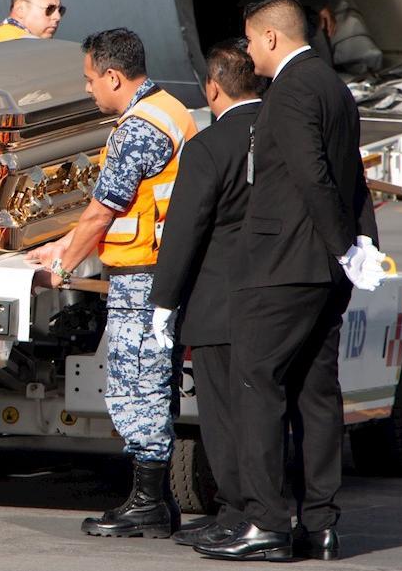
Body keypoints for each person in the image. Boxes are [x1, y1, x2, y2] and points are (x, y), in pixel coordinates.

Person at [193, 0, 385, 562]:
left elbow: (313, 175)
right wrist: (359, 246)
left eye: (250, 41)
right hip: (321, 269)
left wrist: (345, 244)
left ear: (272, 38)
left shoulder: (294, 89)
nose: (248, 53)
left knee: (256, 386)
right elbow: (354, 177)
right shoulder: (333, 87)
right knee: (316, 393)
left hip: (282, 267)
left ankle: (268, 522)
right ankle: (321, 523)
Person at [28, 28, 197, 538]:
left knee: (134, 385)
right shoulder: (169, 108)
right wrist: (64, 247)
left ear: (113, 76)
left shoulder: (137, 128)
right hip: (162, 269)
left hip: (141, 279)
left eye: (89, 80)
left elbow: (103, 211)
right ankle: (157, 498)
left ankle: (147, 501)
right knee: (154, 383)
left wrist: (60, 269)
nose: (88, 90)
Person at [147, 40, 266, 547]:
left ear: (212, 88)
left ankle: (236, 510)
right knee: (265, 412)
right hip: (278, 299)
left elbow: (185, 230)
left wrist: (164, 300)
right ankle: (266, 509)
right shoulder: (285, 134)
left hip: (220, 303)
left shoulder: (209, 147)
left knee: (221, 417)